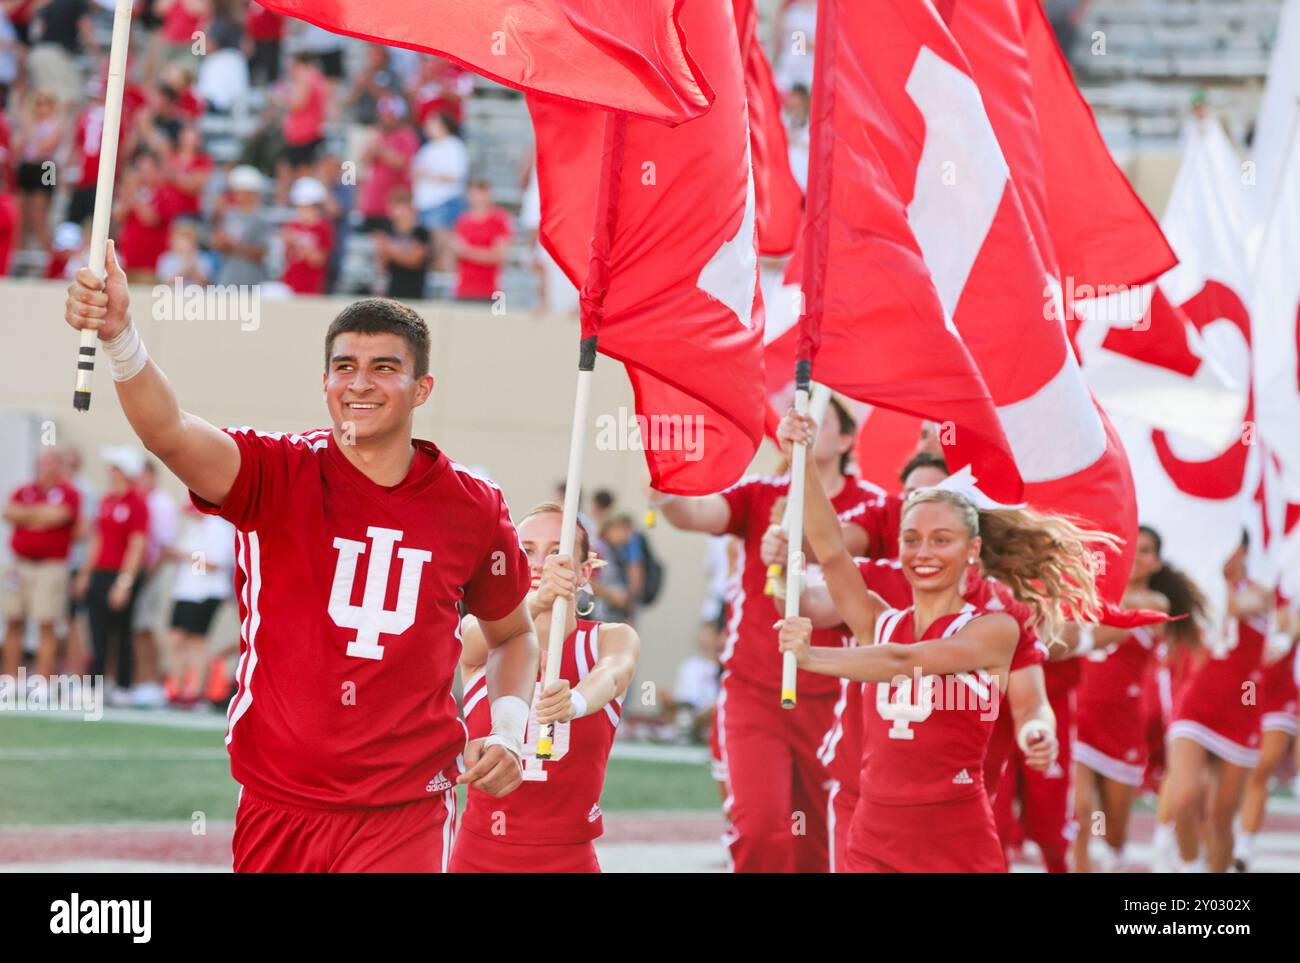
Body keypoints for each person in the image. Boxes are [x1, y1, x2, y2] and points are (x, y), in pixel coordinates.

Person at [65, 248, 539, 872]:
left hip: (404, 810)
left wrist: (507, 728)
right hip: (278, 802)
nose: (360, 383)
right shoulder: (279, 471)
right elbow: (170, 433)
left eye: (384, 368)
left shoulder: (472, 507)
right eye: (344, 367)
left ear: (422, 387)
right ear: (325, 382)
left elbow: (512, 635)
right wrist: (122, 337)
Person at [775, 407, 1114, 872]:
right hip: (873, 830)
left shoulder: (995, 627)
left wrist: (1039, 730)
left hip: (953, 836)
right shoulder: (879, 617)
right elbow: (830, 547)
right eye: (911, 539)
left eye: (941, 539)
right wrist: (803, 457)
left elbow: (903, 661)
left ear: (971, 549)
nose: (923, 553)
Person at [652, 396, 885, 872]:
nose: (805, 423)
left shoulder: (875, 504)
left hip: (835, 698)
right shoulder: (760, 493)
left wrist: (796, 543)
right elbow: (695, 515)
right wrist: (664, 488)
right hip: (755, 689)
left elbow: (839, 547)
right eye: (801, 417)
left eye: (821, 421)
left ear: (846, 440)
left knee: (815, 844)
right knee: (760, 827)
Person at [451, 503, 639, 873]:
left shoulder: (610, 638)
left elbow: (614, 673)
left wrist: (577, 701)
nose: (541, 564)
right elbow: (472, 641)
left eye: (557, 552)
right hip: (478, 855)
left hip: (569, 857)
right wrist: (536, 601)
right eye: (528, 551)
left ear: (585, 572)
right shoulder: (479, 632)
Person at [1072, 525, 1205, 872]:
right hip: (1080, 720)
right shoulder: (1092, 595)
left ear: (1157, 562)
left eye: (1145, 551)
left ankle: (1113, 857)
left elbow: (1126, 610)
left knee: (1111, 829)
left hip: (1123, 727)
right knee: (1081, 813)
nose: (1136, 558)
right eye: (1130, 550)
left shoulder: (1154, 604)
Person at [1162, 535, 1271, 873]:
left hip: (1241, 708)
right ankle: (1190, 866)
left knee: (1221, 819)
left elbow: (1241, 607)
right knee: (1183, 798)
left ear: (1243, 551)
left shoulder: (1259, 591)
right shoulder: (1199, 585)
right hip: (1196, 705)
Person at [74, 446, 149, 704]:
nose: (110, 473)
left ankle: (123, 685)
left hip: (122, 576)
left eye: (115, 468)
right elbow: (97, 540)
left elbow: (137, 545)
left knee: (122, 631)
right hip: (101, 573)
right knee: (97, 631)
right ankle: (96, 683)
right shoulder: (106, 502)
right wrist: (85, 573)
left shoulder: (137, 504)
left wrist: (124, 583)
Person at [1, 449, 80, 681]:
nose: (44, 468)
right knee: (13, 620)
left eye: (49, 463)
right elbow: (9, 512)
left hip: (50, 566)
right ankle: (10, 677)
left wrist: (27, 517)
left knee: (46, 622)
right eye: (41, 463)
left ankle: (43, 678)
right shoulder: (24, 490)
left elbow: (60, 516)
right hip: (19, 564)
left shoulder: (68, 492)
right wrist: (39, 517)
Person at [1235, 601, 1298, 870]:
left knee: (1267, 764)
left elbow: (1291, 618)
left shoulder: (1285, 578)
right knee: (1255, 767)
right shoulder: (1244, 582)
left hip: (1285, 683)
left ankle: (1243, 844)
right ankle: (1243, 843)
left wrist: (1284, 639)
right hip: (1253, 684)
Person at [164, 505, 235, 706]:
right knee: (176, 639)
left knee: (197, 641)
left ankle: (195, 690)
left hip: (206, 592)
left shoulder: (217, 527)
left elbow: (214, 564)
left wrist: (184, 555)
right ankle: (176, 688)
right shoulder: (194, 527)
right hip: (186, 591)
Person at [412, 112, 468, 270]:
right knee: (432, 246)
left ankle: (446, 276)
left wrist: (427, 174)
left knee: (443, 244)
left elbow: (455, 175)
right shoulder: (428, 148)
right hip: (427, 203)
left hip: (443, 201)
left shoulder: (454, 146)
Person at [356, 95, 419, 232]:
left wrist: (381, 149)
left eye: (390, 115)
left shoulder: (406, 135)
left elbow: (400, 163)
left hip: (395, 205)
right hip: (372, 202)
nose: (386, 119)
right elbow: (363, 160)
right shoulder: (376, 134)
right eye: (384, 115)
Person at [452, 180, 511, 303]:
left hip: (491, 292)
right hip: (464, 291)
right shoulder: (462, 221)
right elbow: (456, 253)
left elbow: (498, 255)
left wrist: (467, 252)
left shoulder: (499, 220)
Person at [210, 165, 269, 286]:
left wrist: (234, 247)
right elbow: (218, 245)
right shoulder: (229, 216)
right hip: (228, 278)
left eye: (240, 190)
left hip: (250, 280)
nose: (237, 194)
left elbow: (262, 254)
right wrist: (220, 243)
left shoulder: (259, 219)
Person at [280, 176, 334, 295]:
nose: (302, 210)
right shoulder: (293, 225)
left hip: (311, 286)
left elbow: (319, 260)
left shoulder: (323, 227)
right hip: (290, 283)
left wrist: (297, 243)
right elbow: (286, 257)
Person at [374, 188, 429, 300]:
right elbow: (382, 266)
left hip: (414, 293)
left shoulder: (421, 233)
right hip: (392, 292)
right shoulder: (388, 232)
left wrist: (388, 248)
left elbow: (414, 261)